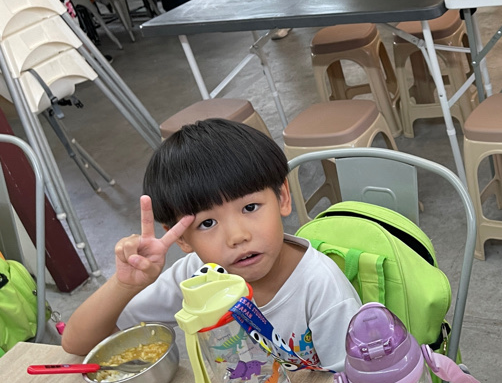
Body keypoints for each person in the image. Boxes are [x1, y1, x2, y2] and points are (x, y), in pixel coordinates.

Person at [61, 119, 363, 370]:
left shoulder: (322, 289)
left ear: (282, 197)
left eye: (250, 207)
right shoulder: (197, 276)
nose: (237, 236)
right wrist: (125, 285)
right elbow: (78, 343)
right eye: (207, 223)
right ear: (181, 237)